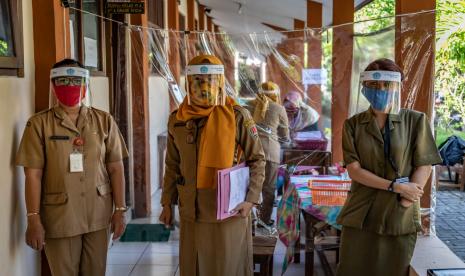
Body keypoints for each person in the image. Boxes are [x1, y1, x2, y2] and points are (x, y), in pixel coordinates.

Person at [16, 59, 129, 275]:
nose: (70, 86)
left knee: (96, 271)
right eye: (63, 81)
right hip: (61, 217)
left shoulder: (104, 121)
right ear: (53, 85)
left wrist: (120, 210)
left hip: (98, 215)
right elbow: (33, 176)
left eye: (76, 81)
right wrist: (33, 219)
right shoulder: (39, 124)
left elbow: (116, 168)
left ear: (85, 85)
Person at [159, 54, 265, 276]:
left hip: (229, 211)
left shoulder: (237, 116)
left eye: (211, 80)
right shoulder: (177, 119)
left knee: (226, 267)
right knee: (193, 266)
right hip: (191, 211)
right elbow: (172, 164)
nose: (204, 86)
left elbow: (257, 159)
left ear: (220, 82)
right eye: (197, 80)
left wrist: (251, 199)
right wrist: (167, 203)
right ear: (188, 83)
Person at [336, 58, 442, 276]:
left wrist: (406, 198)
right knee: (352, 269)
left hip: (398, 212)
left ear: (398, 86)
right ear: (364, 87)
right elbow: (354, 170)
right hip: (361, 211)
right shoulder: (353, 125)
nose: (380, 90)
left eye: (386, 84)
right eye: (374, 85)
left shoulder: (415, 120)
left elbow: (425, 163)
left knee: (392, 269)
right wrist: (395, 187)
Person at [245, 81, 290, 227]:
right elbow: (285, 134)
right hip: (270, 153)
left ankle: (248, 219)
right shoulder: (279, 108)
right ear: (276, 94)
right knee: (269, 189)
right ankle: (263, 221)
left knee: (249, 186)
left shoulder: (247, 106)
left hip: (249, 152)